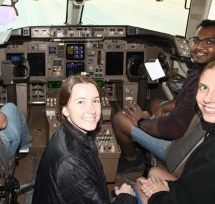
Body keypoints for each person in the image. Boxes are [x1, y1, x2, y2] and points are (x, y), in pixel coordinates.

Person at [112, 19, 215, 172]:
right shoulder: (214, 68)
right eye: (196, 40)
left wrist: (142, 121)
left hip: (179, 150)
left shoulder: (208, 82)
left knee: (119, 119)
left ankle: (132, 160)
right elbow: (181, 102)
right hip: (192, 131)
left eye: (210, 42)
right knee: (156, 103)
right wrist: (162, 110)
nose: (200, 46)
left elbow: (174, 128)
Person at [135, 59, 215, 204]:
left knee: (140, 183)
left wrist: (157, 194)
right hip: (206, 191)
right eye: (203, 87)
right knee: (154, 172)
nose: (207, 98)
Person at [32, 75, 137, 204]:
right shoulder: (70, 164)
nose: (92, 110)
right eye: (81, 102)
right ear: (65, 110)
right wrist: (126, 197)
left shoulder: (67, 132)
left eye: (95, 101)